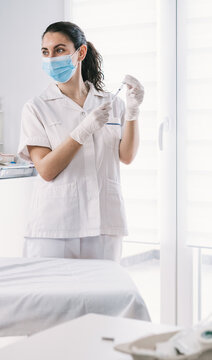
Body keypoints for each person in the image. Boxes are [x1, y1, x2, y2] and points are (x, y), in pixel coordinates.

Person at [18, 21, 144, 262]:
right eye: (46, 52)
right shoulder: (36, 108)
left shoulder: (109, 103)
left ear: (81, 52)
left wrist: (133, 111)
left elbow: (126, 156)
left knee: (102, 296)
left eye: (60, 50)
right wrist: (83, 130)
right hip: (56, 225)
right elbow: (45, 169)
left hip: (104, 221)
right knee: (52, 298)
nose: (52, 58)